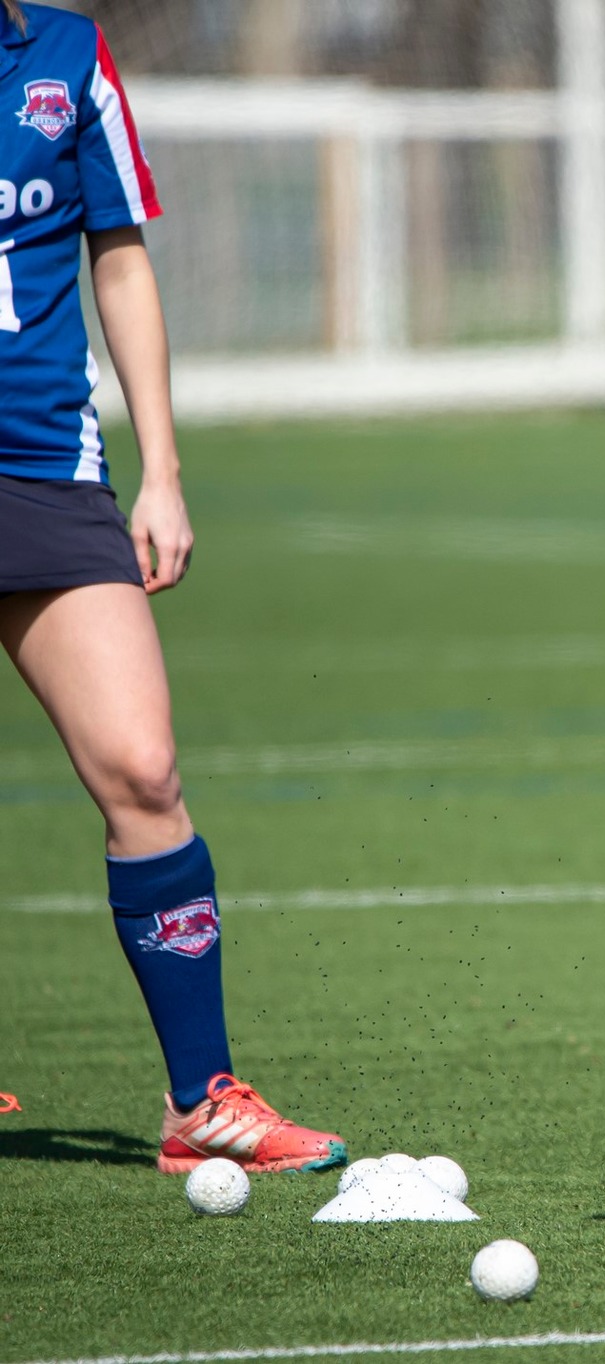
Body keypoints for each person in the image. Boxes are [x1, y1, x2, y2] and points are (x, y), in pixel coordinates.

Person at [0, 1, 346, 1174]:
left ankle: (201, 1100)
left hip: (45, 469)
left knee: (143, 767)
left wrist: (162, 468)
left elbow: (119, 253)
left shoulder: (66, 54)